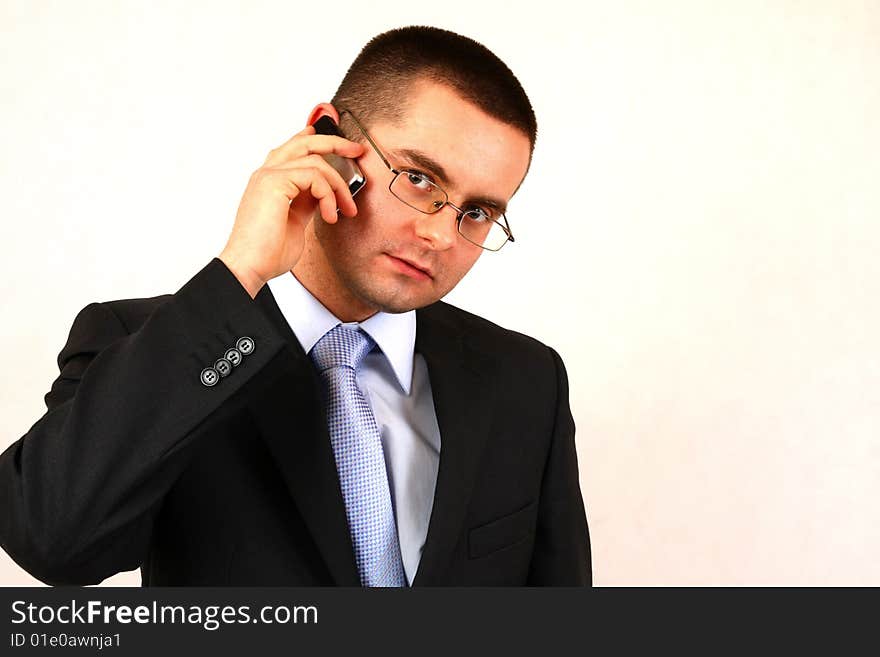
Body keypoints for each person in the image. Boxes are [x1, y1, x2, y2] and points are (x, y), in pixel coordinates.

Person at [0, 26, 591, 586]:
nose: (441, 235)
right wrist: (240, 272)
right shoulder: (149, 343)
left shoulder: (526, 380)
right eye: (417, 178)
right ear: (328, 140)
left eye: (478, 212)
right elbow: (53, 541)